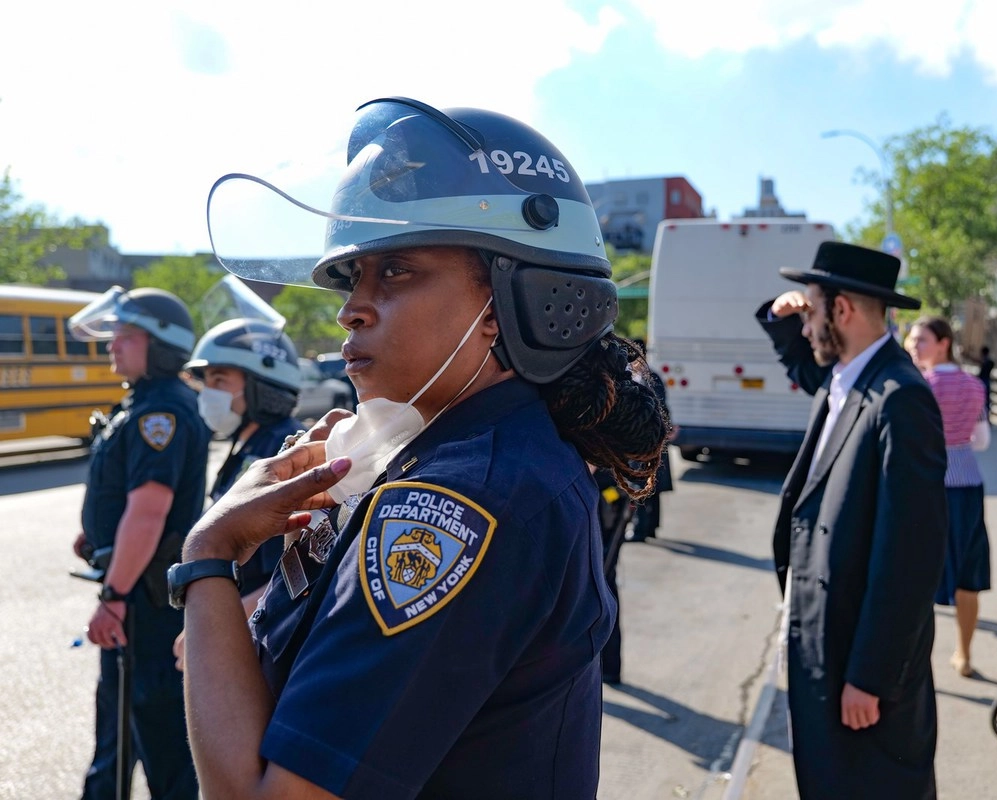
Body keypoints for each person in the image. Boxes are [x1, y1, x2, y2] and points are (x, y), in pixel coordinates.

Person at [172, 97, 670, 799]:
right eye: (352, 278)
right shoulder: (454, 455)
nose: (352, 307)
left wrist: (207, 554)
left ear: (505, 304)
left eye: (395, 271)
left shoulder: (462, 500)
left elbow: (261, 795)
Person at [756, 241, 948, 799]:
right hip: (825, 638)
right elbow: (802, 363)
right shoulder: (848, 376)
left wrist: (871, 675)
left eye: (814, 310)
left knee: (868, 784)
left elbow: (910, 558)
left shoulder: (901, 399)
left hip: (858, 663)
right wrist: (782, 317)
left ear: (842, 311)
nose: (808, 322)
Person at [67, 286, 208, 799]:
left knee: (157, 738)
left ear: (161, 346)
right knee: (119, 730)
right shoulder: (143, 404)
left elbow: (148, 514)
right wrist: (98, 533)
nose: (113, 346)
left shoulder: (161, 413)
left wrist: (115, 598)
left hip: (143, 603)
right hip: (137, 596)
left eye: (126, 337)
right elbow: (131, 499)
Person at [184, 319, 304, 602]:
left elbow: (287, 575)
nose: (208, 392)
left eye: (220, 379)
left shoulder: (285, 448)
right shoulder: (248, 442)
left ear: (261, 386)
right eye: (207, 381)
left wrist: (220, 625)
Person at [909, 316, 991, 678]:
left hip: (928, 483)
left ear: (943, 342)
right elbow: (983, 441)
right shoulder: (974, 385)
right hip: (968, 482)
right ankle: (964, 653)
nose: (914, 345)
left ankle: (913, 658)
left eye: (921, 339)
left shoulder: (918, 385)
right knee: (967, 576)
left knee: (918, 573)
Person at [627, 338, 673, 542]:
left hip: (645, 440)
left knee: (641, 485)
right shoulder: (649, 376)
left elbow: (660, 408)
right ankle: (651, 526)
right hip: (650, 439)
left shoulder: (645, 377)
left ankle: (641, 529)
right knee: (651, 485)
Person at [594, 466, 635, 685]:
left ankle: (609, 667)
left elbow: (615, 490)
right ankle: (608, 667)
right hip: (607, 502)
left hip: (608, 507)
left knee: (603, 590)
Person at [977, 344, 995, 414]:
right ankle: (986, 414)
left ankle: (984, 414)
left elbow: (980, 362)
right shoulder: (990, 361)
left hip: (983, 382)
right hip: (987, 382)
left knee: (983, 400)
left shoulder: (987, 361)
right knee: (987, 400)